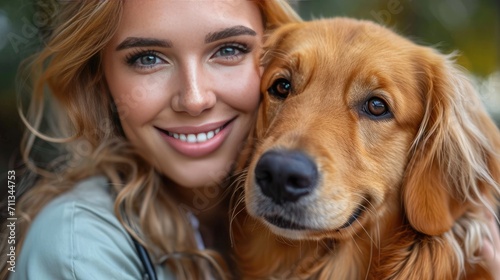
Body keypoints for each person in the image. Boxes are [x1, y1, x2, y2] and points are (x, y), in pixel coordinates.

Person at [0, 1, 300, 279]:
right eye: (148, 58)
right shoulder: (78, 247)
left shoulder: (310, 211)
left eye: (229, 50)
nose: (194, 99)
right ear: (100, 81)